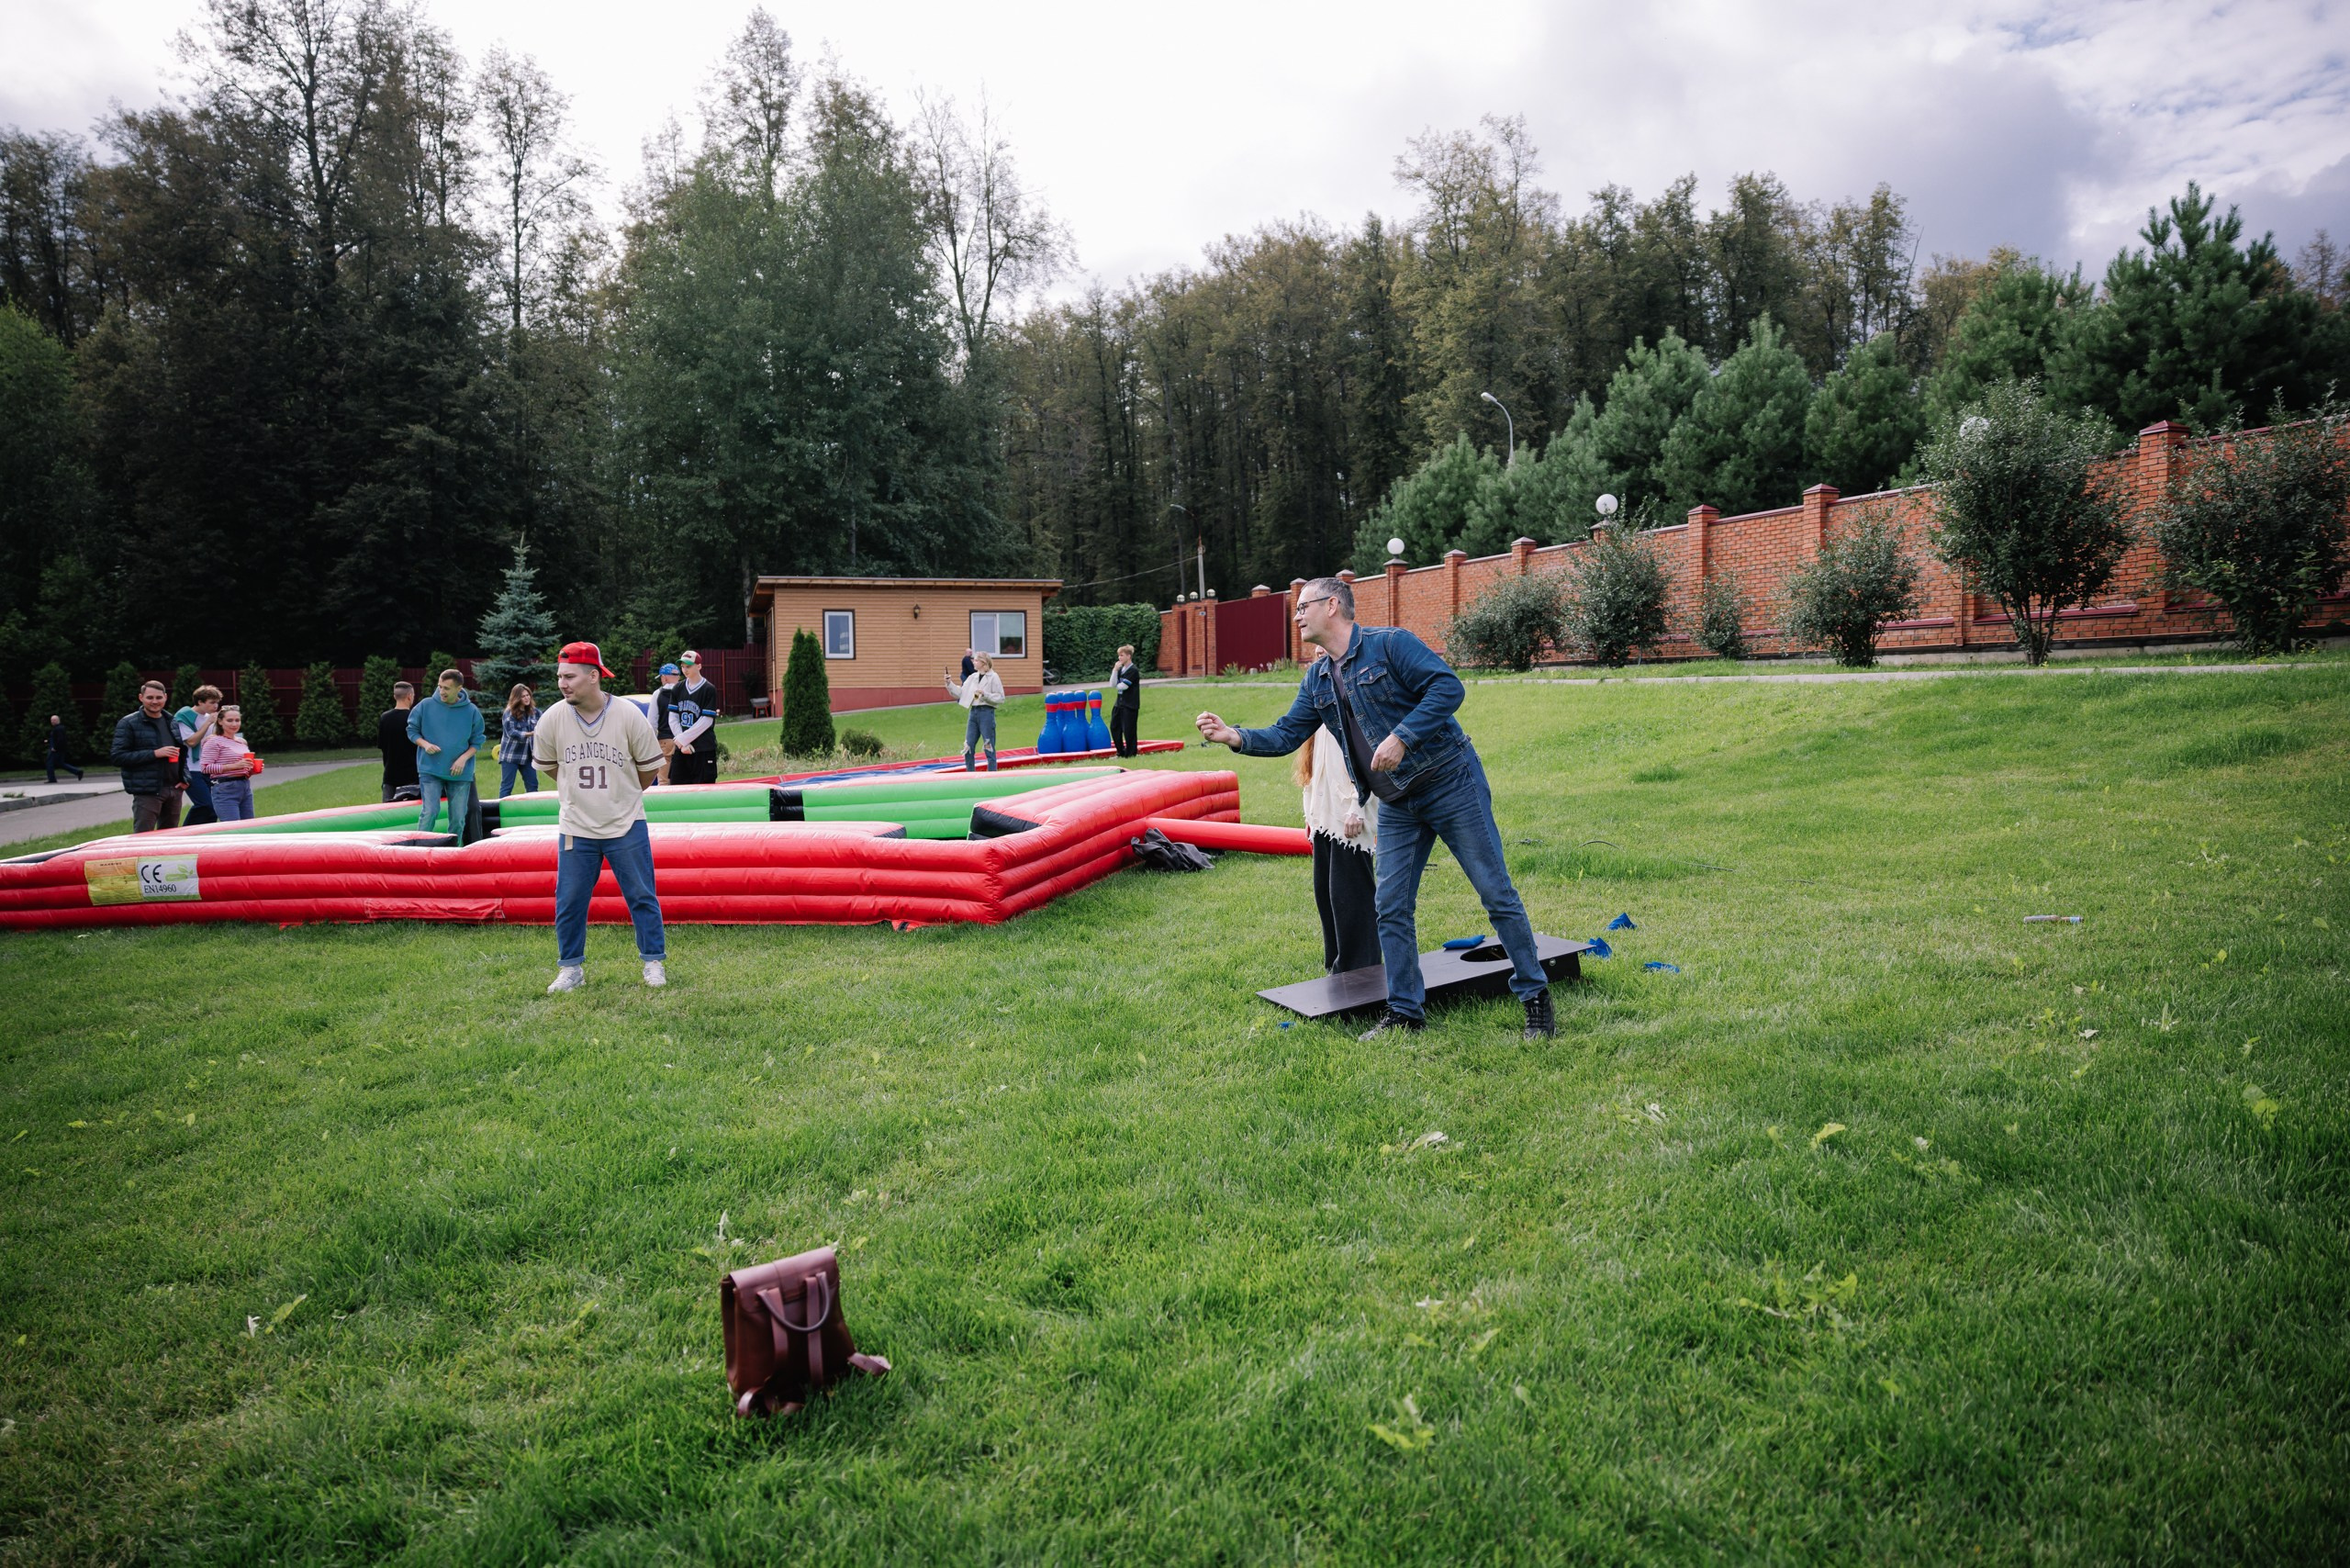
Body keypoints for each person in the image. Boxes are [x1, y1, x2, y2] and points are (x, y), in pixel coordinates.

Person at [1195, 575, 1556, 1041]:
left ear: (1332, 606)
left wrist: (1403, 737)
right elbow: (1286, 734)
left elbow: (1448, 688)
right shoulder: (1318, 679)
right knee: (1390, 906)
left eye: (1303, 606)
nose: (1297, 616)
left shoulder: (1390, 645)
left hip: (1450, 783)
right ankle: (1405, 1012)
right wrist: (1234, 736)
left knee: (1495, 892)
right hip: (1397, 801)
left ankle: (1534, 997)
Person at [532, 640, 668, 992]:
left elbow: (648, 771)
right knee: (570, 900)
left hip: (626, 822)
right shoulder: (552, 718)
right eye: (560, 676)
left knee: (641, 895)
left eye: (570, 677)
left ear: (593, 676)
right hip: (576, 825)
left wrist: (622, 794)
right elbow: (551, 768)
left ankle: (653, 962)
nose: (562, 684)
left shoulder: (627, 715)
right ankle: (570, 969)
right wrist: (579, 796)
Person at [1298, 710, 1380, 974]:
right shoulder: (1317, 707)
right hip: (1324, 816)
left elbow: (1368, 759)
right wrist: (1311, 815)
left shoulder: (1354, 703)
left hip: (1349, 815)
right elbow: (1317, 765)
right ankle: (1337, 965)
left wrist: (1358, 806)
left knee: (1350, 895)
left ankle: (1361, 969)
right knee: (1326, 893)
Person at [407, 668, 484, 835]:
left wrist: (463, 759)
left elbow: (477, 742)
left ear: (459, 688)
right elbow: (412, 731)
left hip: (460, 773)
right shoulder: (425, 705)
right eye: (440, 686)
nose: (441, 691)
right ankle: (419, 848)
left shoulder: (471, 711)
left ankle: (454, 849)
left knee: (458, 819)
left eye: (446, 688)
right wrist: (425, 744)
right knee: (430, 812)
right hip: (430, 770)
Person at [109, 679, 185, 834]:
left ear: (165, 697)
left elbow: (183, 753)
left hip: (174, 789)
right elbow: (118, 757)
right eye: (150, 697)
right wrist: (155, 753)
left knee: (171, 838)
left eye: (159, 697)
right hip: (147, 791)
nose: (155, 701)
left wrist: (185, 779)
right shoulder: (128, 723)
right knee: (143, 837)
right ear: (141, 698)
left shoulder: (171, 721)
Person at [666, 651, 720, 786]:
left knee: (704, 790)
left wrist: (683, 739)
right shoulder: (677, 688)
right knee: (676, 788)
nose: (685, 670)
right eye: (683, 666)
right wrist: (682, 743)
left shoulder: (708, 689)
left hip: (703, 748)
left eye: (688, 666)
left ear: (699, 666)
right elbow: (673, 718)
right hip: (681, 749)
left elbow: (706, 721)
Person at [200, 705, 259, 822]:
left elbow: (243, 767)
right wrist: (234, 766)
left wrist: (252, 770)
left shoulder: (242, 742)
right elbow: (205, 768)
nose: (234, 724)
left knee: (249, 826)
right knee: (233, 827)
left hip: (244, 785)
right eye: (230, 720)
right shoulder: (213, 741)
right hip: (225, 788)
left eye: (237, 720)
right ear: (220, 721)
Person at [948, 651, 1003, 771]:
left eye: (977, 660)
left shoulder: (994, 677)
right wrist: (949, 683)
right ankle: (970, 775)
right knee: (968, 746)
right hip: (973, 713)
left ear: (984, 662)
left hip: (986, 713)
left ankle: (992, 776)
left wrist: (985, 695)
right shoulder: (972, 677)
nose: (974, 662)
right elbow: (960, 693)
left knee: (988, 746)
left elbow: (1000, 698)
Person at [175, 687, 223, 826]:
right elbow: (191, 742)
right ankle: (185, 833)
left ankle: (205, 835)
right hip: (191, 768)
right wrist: (208, 723)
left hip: (209, 768)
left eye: (217, 702)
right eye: (212, 702)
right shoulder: (184, 716)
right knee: (205, 804)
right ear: (200, 702)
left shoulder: (211, 717)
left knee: (215, 808)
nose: (215, 706)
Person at [377, 681, 419, 802]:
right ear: (410, 696)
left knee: (388, 811)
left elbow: (382, 746)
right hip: (413, 776)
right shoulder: (414, 718)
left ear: (395, 696)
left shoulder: (384, 718)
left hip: (390, 776)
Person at [498, 685, 542, 797]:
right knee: (507, 786)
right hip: (510, 756)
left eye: (528, 695)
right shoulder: (509, 713)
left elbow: (545, 725)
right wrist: (531, 734)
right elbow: (512, 733)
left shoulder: (536, 712)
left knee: (533, 785)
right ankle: (501, 807)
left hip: (528, 756)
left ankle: (533, 807)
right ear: (517, 698)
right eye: (523, 696)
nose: (527, 698)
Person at [651, 662, 683, 782]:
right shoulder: (684, 692)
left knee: (663, 781)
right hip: (683, 740)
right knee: (681, 781)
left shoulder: (657, 694)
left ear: (664, 677)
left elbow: (652, 721)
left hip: (664, 740)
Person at [1109, 644, 1141, 757]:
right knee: (1114, 727)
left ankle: (1131, 753)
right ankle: (1120, 752)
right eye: (1119, 655)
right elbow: (1112, 684)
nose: (1119, 658)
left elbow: (1123, 686)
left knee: (1129, 730)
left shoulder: (1133, 670)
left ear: (1128, 656)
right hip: (1119, 704)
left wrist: (1117, 684)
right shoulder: (1120, 670)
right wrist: (1114, 670)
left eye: (1122, 655)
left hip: (1130, 705)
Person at [43, 713, 83, 783]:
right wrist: (48, 741)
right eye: (51, 720)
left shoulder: (59, 729)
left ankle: (52, 779)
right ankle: (77, 771)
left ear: (58, 720)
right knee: (60, 763)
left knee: (49, 763)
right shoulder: (58, 728)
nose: (52, 721)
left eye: (54, 720)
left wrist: (55, 747)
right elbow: (56, 738)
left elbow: (61, 739)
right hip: (59, 749)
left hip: (55, 750)